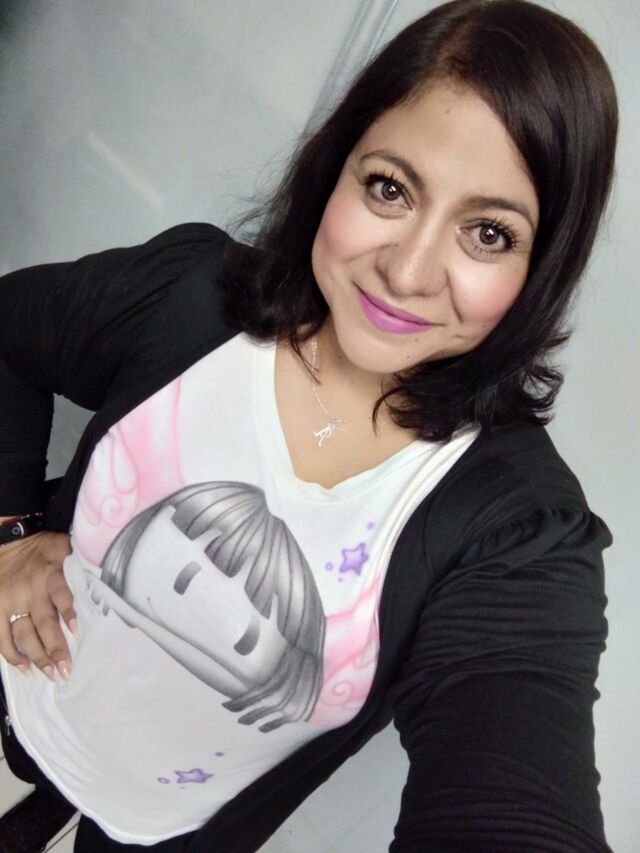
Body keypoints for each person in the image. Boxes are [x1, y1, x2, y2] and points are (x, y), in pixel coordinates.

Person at [0, 0, 618, 850]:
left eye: (487, 232)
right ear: (336, 168)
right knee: (33, 769)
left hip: (167, 827)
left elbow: (514, 786)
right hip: (29, 686)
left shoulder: (514, 532)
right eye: (390, 187)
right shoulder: (188, 298)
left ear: (540, 267)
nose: (408, 270)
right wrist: (10, 529)